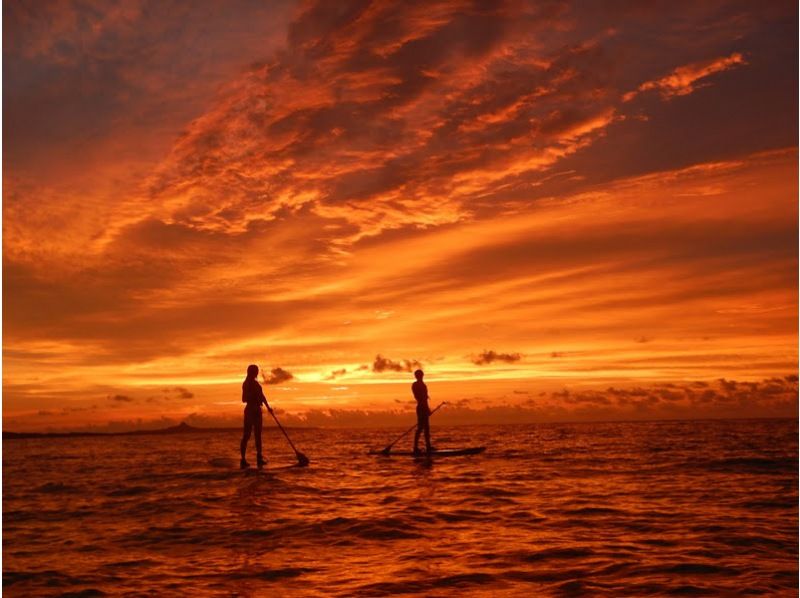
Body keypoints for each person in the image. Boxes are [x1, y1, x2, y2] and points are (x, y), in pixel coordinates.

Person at [240, 364, 273, 469]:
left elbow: (262, 396)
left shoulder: (257, 384)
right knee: (247, 435)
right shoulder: (246, 384)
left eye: (257, 371)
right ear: (251, 372)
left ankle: (259, 458)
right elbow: (244, 399)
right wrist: (253, 396)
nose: (257, 373)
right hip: (250, 410)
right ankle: (243, 459)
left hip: (258, 411)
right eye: (256, 371)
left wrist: (268, 407)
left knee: (258, 435)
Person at [412, 369, 433, 454]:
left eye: (421, 375)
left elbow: (425, 398)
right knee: (420, 428)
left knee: (427, 428)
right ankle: (415, 447)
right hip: (421, 407)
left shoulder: (423, 385)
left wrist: (427, 408)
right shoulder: (415, 385)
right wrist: (425, 408)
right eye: (419, 375)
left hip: (424, 407)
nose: (421, 376)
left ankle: (428, 446)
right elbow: (420, 398)